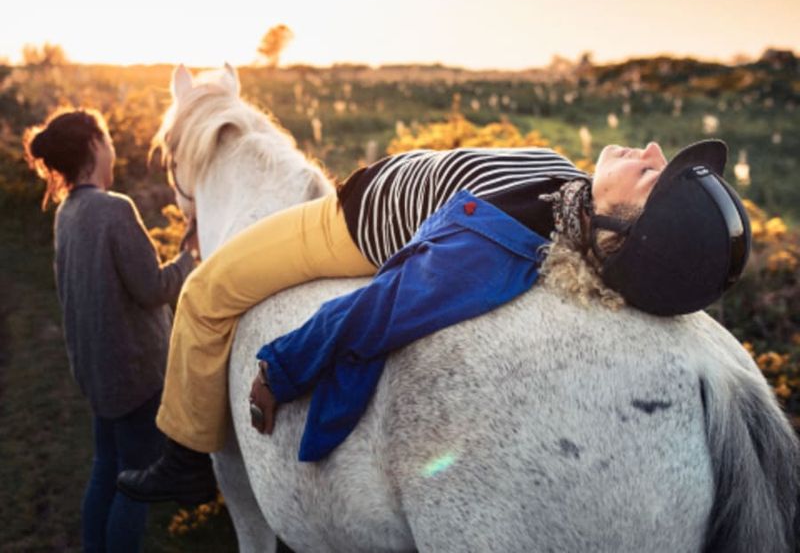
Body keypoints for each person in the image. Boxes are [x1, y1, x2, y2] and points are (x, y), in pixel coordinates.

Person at [118, 139, 751, 501]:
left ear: (617, 228)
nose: (649, 149)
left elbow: (383, 307)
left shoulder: (493, 247)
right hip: (372, 189)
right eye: (655, 161)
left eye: (648, 174)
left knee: (205, 290)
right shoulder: (571, 197)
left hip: (347, 225)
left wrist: (281, 369)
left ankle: (185, 456)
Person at [24, 109, 198, 552]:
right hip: (135, 375)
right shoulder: (114, 209)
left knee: (106, 466)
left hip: (97, 373)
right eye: (109, 141)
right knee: (134, 482)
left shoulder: (68, 211)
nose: (114, 150)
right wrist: (189, 259)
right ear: (96, 148)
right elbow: (152, 288)